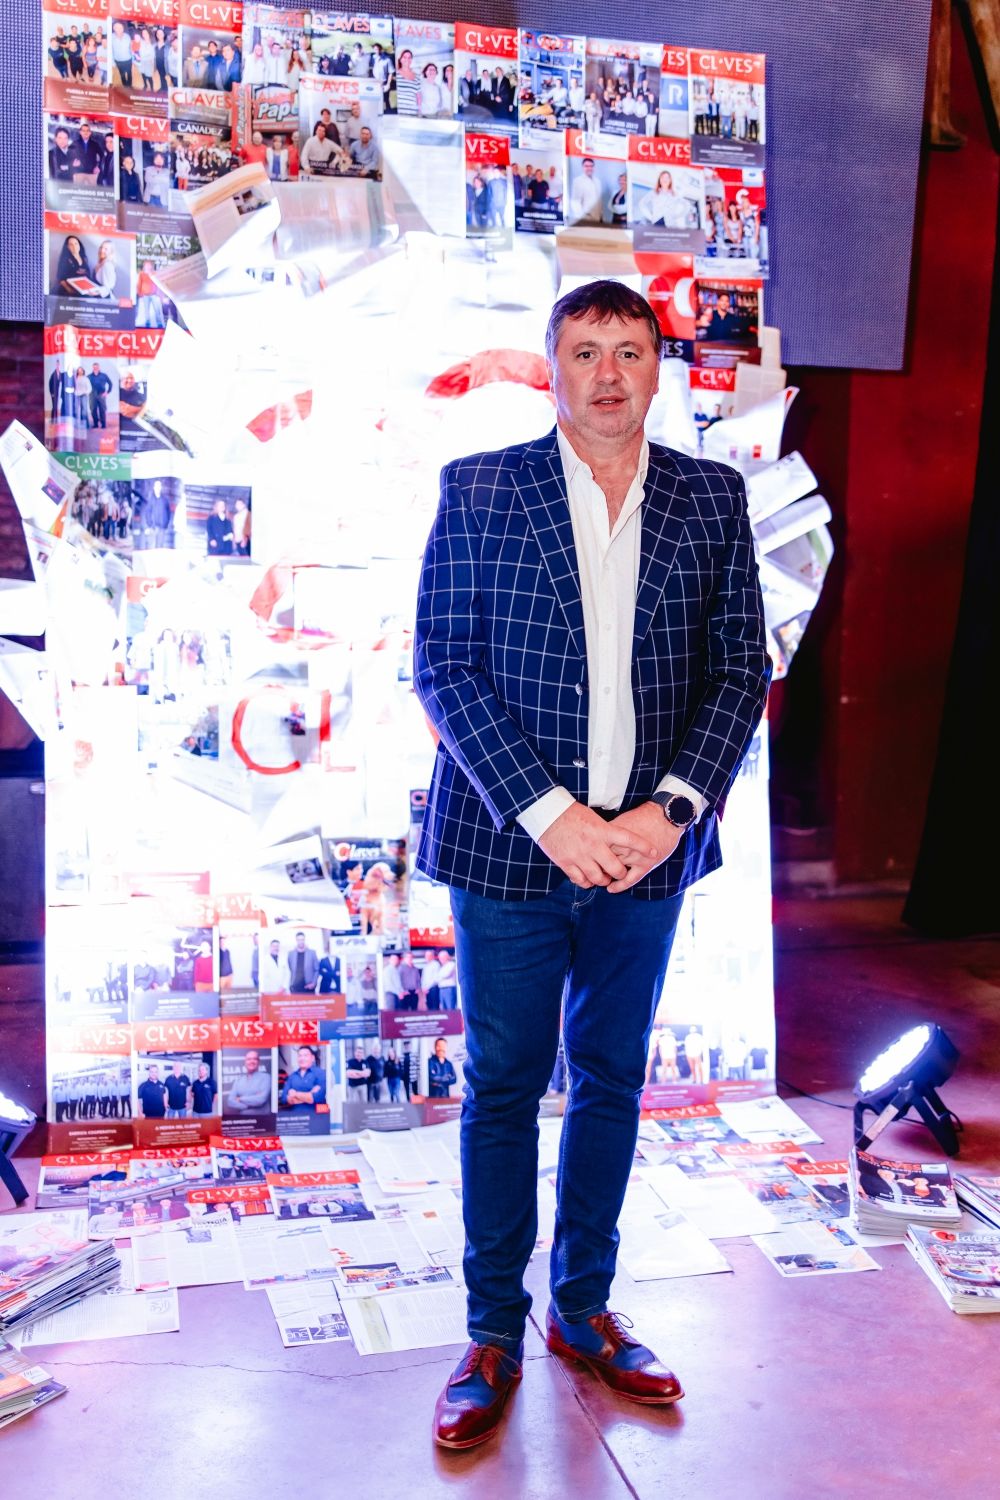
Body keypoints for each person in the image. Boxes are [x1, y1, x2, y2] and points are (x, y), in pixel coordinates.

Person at [414, 280, 769, 1448]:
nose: (607, 374)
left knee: (611, 1078)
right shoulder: (480, 488)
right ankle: (490, 1332)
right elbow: (444, 667)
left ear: (658, 367)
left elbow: (739, 669)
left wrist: (671, 812)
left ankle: (582, 1310)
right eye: (584, 351)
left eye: (629, 350)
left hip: (649, 854)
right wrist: (552, 816)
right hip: (509, 851)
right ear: (552, 367)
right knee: (505, 1087)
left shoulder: (711, 498)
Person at [281, 1044, 326, 1112]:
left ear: (313, 1058)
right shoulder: (292, 1076)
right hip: (295, 1116)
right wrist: (309, 1095)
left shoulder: (320, 1073)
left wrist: (295, 1094)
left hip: (315, 1116)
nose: (302, 1058)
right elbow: (284, 1098)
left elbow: (318, 1097)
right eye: (300, 1056)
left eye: (305, 1055)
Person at [570, 156, 603, 223]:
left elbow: (599, 201)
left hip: (598, 218)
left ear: (594, 167)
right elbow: (575, 202)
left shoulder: (597, 181)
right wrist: (582, 218)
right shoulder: (578, 181)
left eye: (591, 166)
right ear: (583, 167)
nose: (589, 168)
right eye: (586, 166)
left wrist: (601, 216)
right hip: (586, 218)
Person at [88, 362, 112, 428]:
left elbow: (110, 383)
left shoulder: (104, 375)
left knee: (102, 410)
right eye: (94, 367)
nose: (95, 368)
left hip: (101, 394)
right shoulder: (89, 376)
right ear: (92, 368)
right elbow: (85, 384)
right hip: (92, 395)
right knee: (93, 410)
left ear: (99, 368)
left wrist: (107, 392)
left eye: (97, 367)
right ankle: (95, 424)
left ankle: (103, 424)